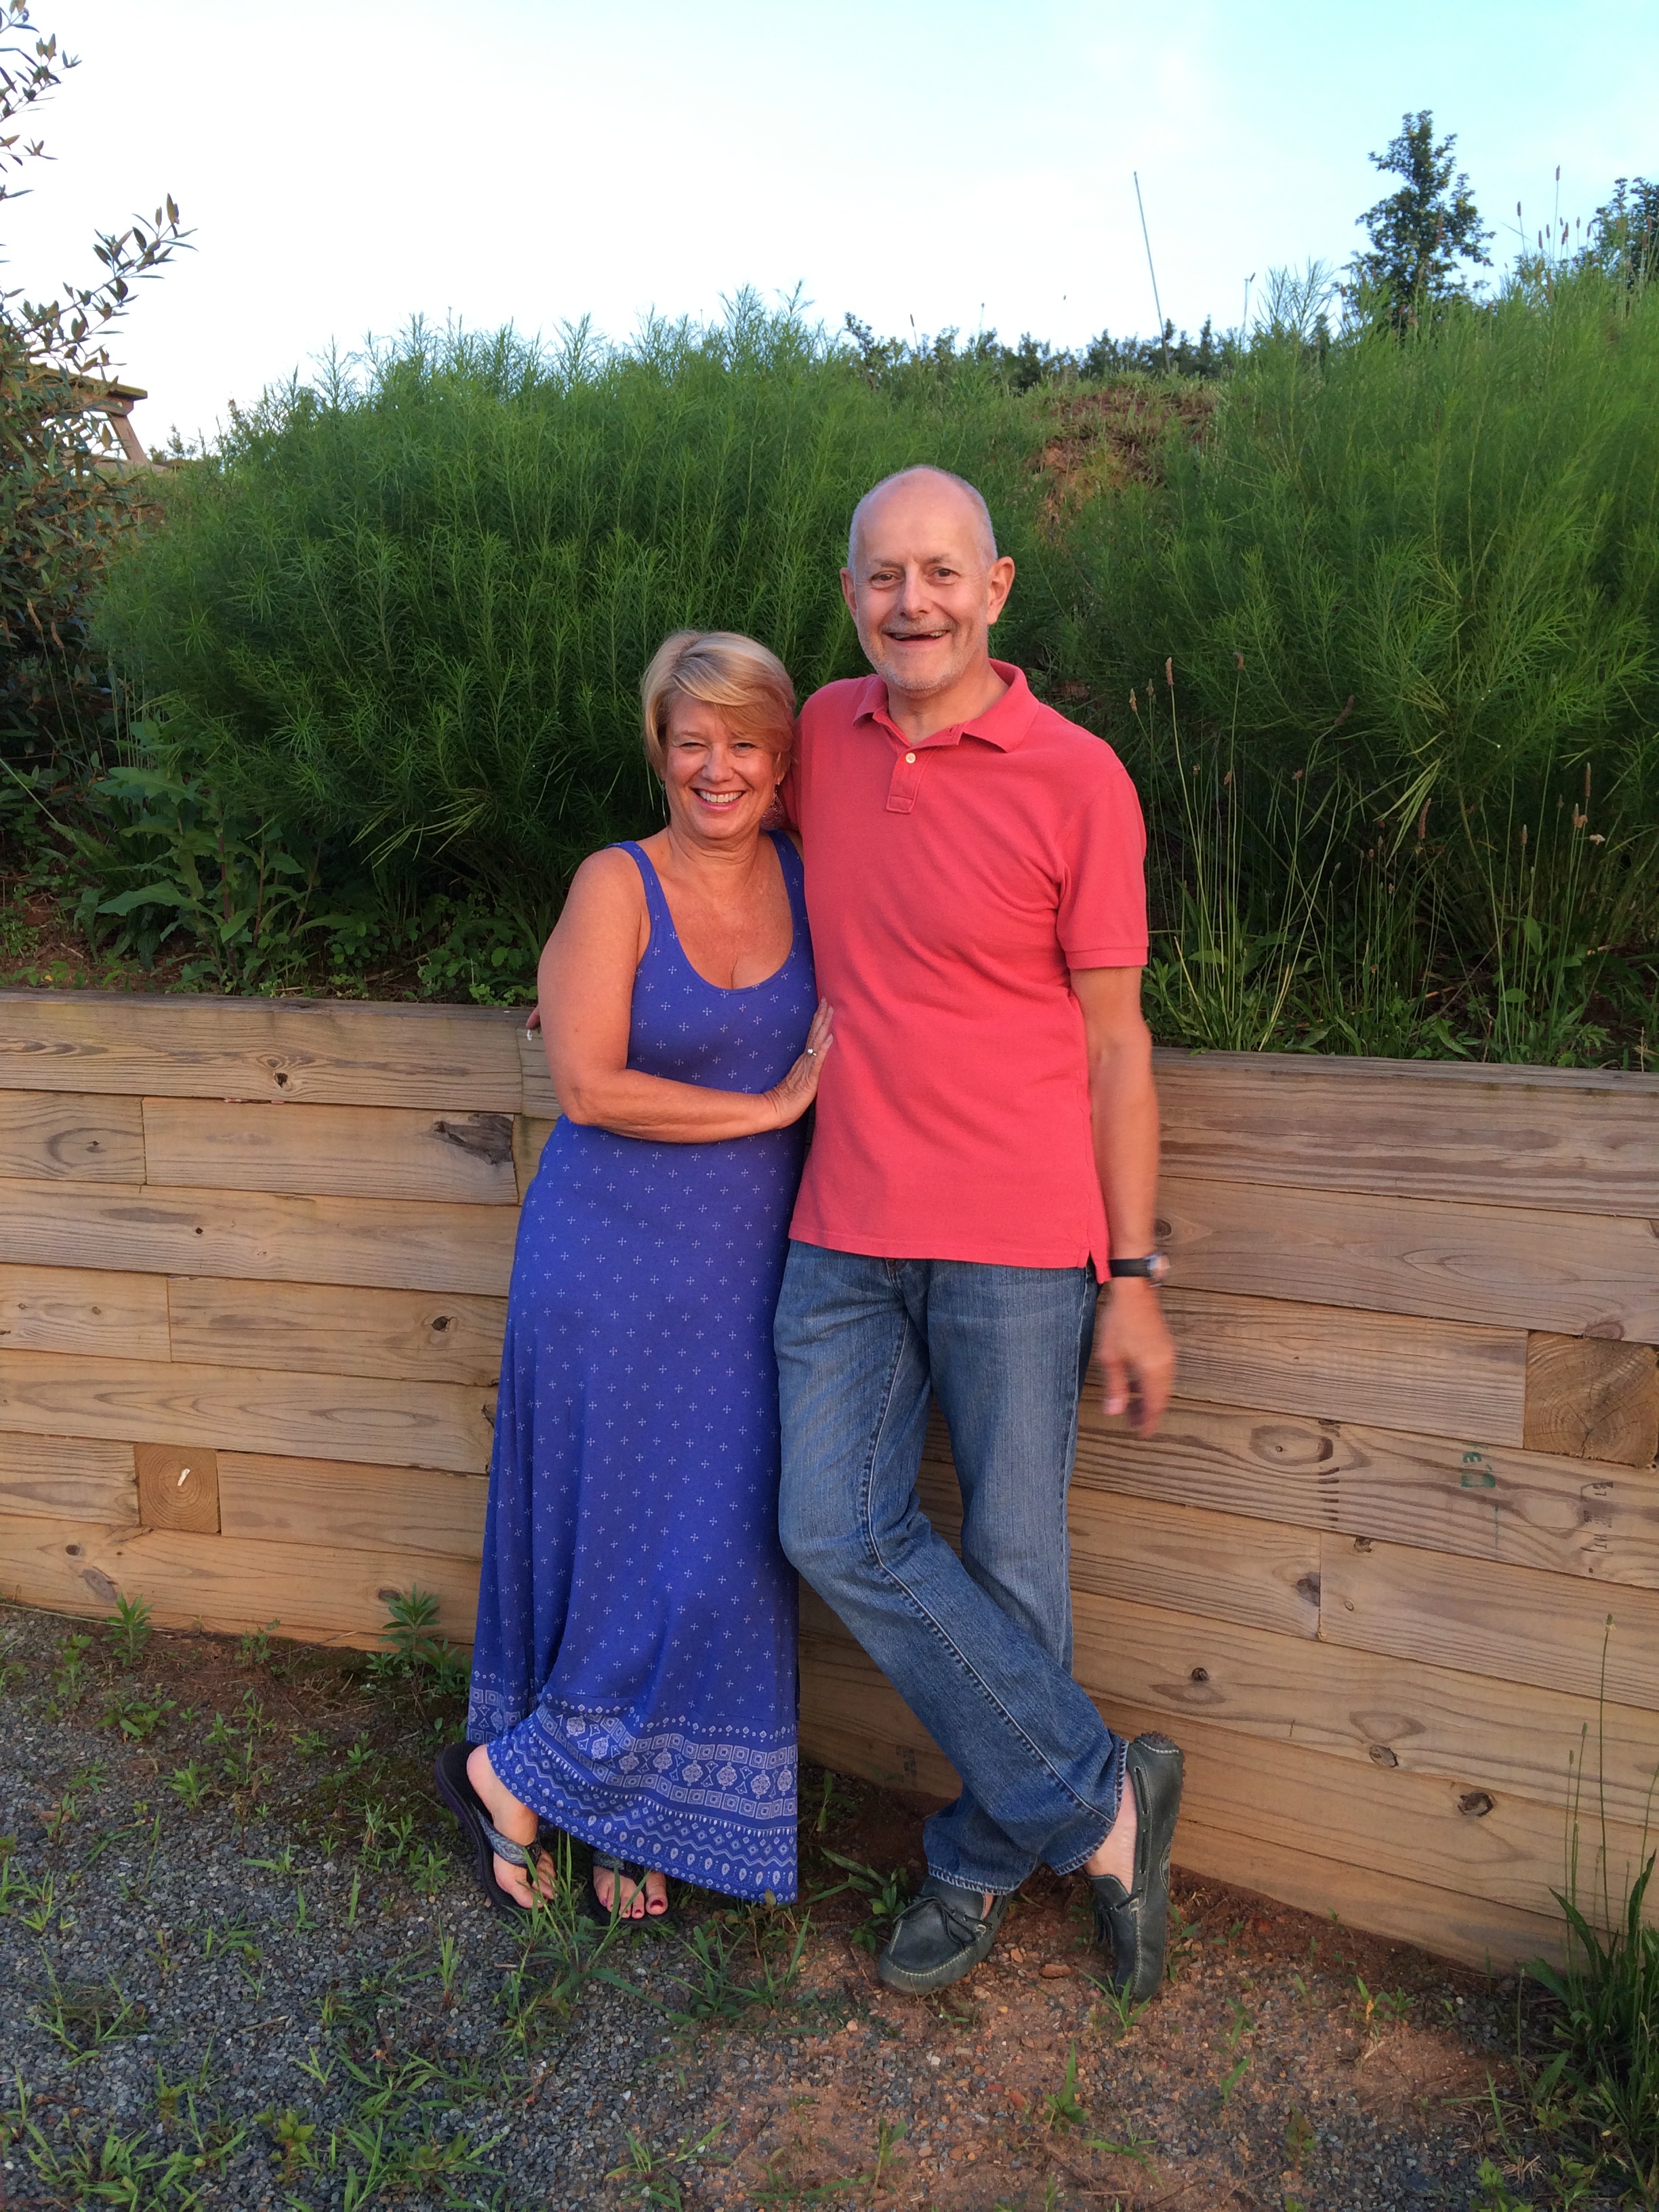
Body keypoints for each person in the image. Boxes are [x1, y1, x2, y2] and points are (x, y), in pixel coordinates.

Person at [775, 466, 1182, 1998]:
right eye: (885, 576)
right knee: (828, 1524)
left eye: (942, 573)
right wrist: (604, 964)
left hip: (1018, 1235)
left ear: (996, 588)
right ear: (850, 595)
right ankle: (1103, 1799)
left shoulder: (1079, 776)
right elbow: (710, 823)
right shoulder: (820, 734)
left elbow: (1117, 1045)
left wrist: (1131, 1276)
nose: (914, 603)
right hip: (841, 1224)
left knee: (1013, 1563)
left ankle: (978, 1858)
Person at [437, 630, 831, 1923]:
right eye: (692, 741)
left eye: (746, 743)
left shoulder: (814, 875)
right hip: (606, 1265)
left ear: (782, 757)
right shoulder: (616, 883)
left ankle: (579, 1787)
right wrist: (768, 1108)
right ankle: (537, 1784)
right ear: (659, 751)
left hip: (744, 1280)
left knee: (718, 1551)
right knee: (615, 1544)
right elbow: (591, 1086)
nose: (719, 768)